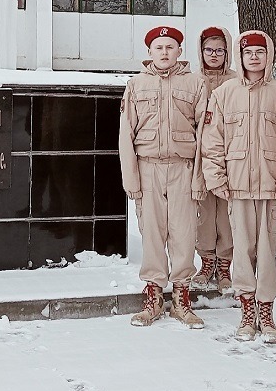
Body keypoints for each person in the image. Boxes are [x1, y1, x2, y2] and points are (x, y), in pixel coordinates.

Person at [200, 31, 276, 344]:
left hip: (271, 189)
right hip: (238, 187)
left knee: (268, 252)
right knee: (243, 252)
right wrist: (217, 177)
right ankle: (247, 311)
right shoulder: (224, 94)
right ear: (241, 56)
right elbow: (212, 140)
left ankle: (267, 311)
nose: (254, 58)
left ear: (269, 56)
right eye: (248, 53)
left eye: (260, 52)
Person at [119, 26, 209, 329]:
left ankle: (182, 298)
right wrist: (131, 179)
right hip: (148, 168)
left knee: (184, 233)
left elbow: (204, 134)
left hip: (183, 167)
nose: (165, 52)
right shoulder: (136, 85)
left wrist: (200, 178)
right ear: (149, 52)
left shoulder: (196, 84)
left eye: (170, 47)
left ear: (180, 52)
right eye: (159, 47)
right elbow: (125, 134)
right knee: (153, 233)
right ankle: (154, 297)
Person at [192, 26, 237, 292]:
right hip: (199, 155)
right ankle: (206, 261)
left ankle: (225, 265)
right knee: (204, 213)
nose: (214, 54)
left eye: (220, 50)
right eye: (209, 49)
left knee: (227, 215)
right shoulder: (193, 79)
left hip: (229, 154)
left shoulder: (235, 80)